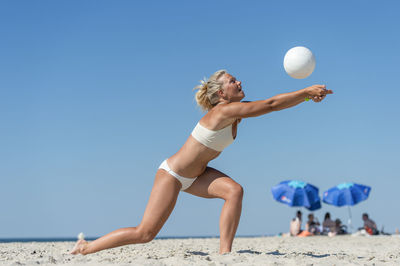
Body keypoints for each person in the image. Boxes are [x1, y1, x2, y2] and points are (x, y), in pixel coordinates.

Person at [71, 69, 332, 255]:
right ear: (221, 92)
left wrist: (308, 97)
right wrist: (306, 90)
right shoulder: (223, 111)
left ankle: (225, 255)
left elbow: (273, 105)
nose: (239, 81)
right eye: (232, 80)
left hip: (198, 176)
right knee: (145, 234)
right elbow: (272, 104)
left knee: (234, 191)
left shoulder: (235, 112)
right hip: (172, 175)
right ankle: (87, 247)